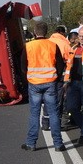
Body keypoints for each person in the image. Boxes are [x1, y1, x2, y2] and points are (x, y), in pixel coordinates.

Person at [21, 21, 66, 152]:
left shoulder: (28, 46)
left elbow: (23, 67)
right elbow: (60, 65)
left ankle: (31, 144)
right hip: (50, 83)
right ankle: (58, 144)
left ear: (35, 32)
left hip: (34, 84)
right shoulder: (53, 45)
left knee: (34, 114)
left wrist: (30, 77)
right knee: (53, 113)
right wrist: (55, 77)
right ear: (46, 32)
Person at [47, 25, 73, 131]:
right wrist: (67, 77)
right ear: (63, 33)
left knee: (48, 100)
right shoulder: (66, 44)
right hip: (60, 76)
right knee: (61, 100)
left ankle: (47, 123)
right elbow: (70, 62)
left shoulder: (47, 42)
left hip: (46, 76)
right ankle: (60, 123)